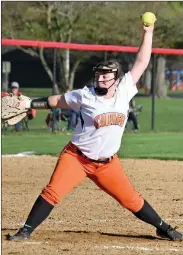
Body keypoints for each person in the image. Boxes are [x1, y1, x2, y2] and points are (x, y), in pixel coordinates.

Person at [7, 23, 182, 242]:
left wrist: (148, 32)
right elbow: (57, 101)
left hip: (108, 165)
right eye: (98, 75)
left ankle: (162, 227)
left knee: (132, 200)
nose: (100, 79)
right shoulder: (85, 95)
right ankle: (25, 231)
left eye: (105, 76)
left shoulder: (125, 89)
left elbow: (142, 61)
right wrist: (30, 102)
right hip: (77, 158)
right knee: (53, 191)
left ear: (115, 79)